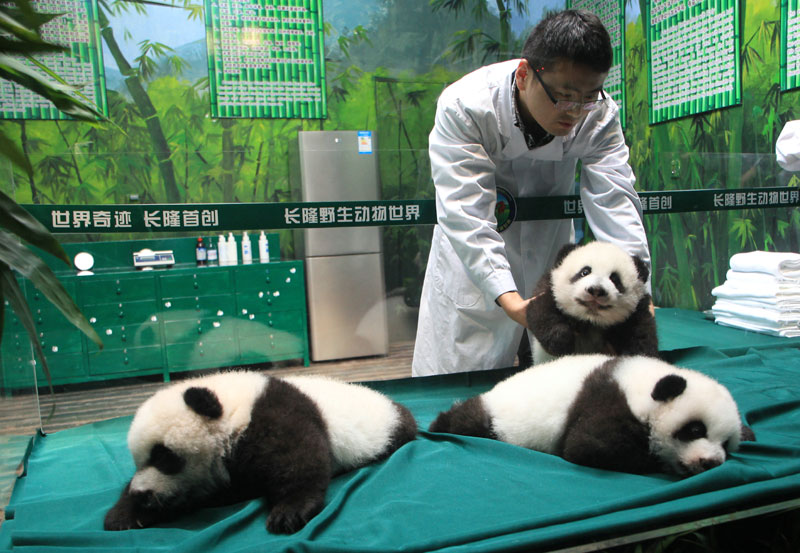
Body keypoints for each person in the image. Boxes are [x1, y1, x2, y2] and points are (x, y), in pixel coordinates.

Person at [412, 9, 651, 377]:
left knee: (556, 387)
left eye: (588, 97)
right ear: (524, 75)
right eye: (565, 96)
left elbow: (616, 203)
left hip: (551, 262)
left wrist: (638, 293)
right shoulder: (466, 107)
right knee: (459, 388)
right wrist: (509, 299)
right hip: (473, 270)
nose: (576, 112)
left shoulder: (599, 115)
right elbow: (466, 213)